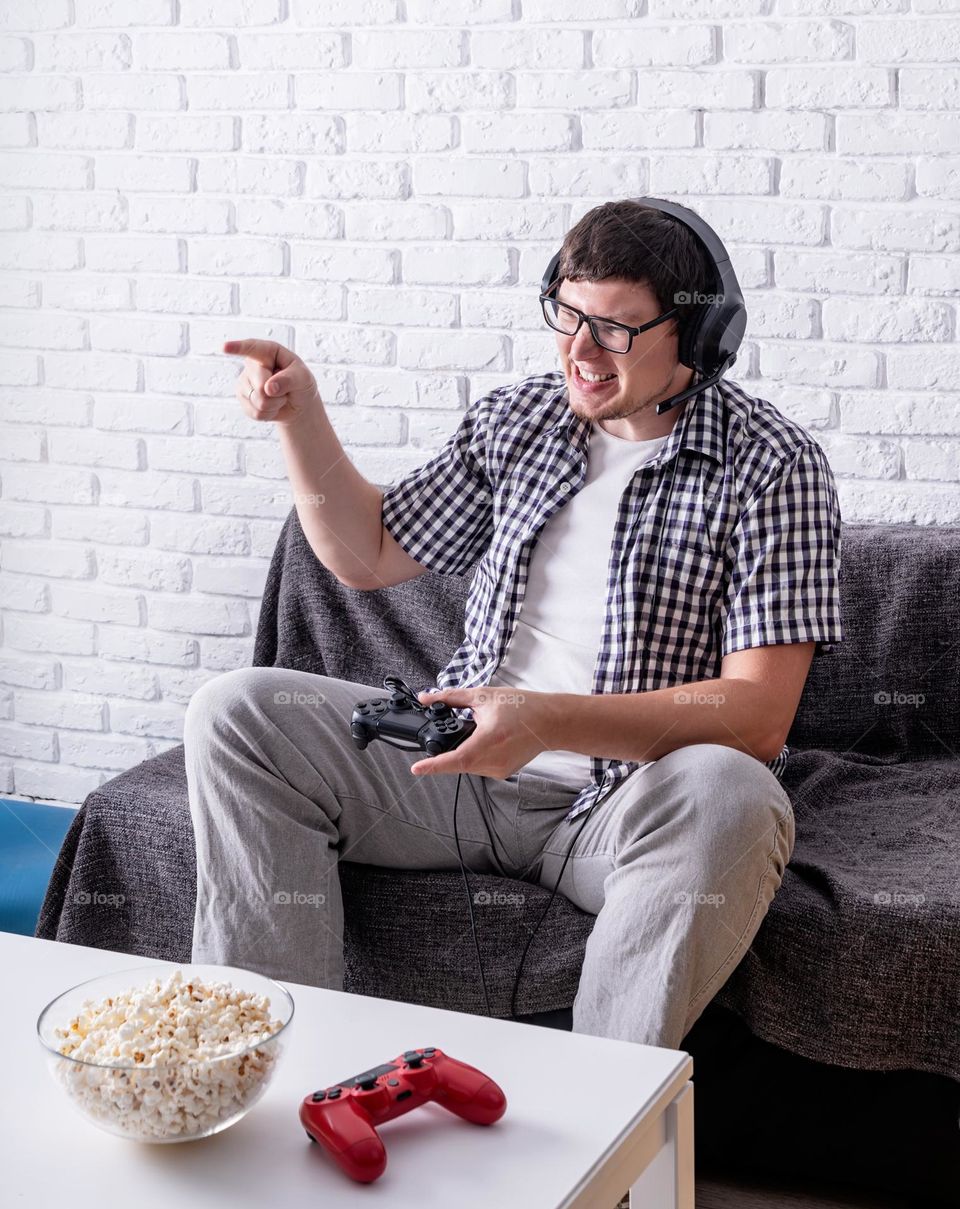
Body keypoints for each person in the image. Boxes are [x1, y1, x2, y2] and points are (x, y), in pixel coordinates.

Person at [185, 198, 843, 1050]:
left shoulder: (773, 467)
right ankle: (263, 1075)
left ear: (700, 339)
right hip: (460, 768)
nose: (579, 351)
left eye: (614, 330)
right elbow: (369, 551)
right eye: (567, 315)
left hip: (625, 810)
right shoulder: (520, 419)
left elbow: (757, 717)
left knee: (735, 793)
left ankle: (604, 1124)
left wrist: (543, 720)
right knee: (237, 712)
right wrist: (300, 417)